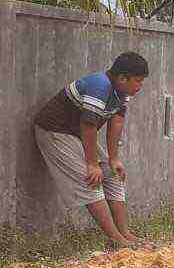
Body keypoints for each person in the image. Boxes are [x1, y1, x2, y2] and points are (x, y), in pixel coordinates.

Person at [33, 52, 150, 250]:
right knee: (90, 178)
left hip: (78, 133)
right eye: (138, 81)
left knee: (113, 175)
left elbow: (117, 121)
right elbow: (88, 124)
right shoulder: (99, 85)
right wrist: (92, 163)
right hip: (55, 131)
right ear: (122, 78)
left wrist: (113, 159)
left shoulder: (122, 92)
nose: (140, 86)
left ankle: (125, 233)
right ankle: (117, 241)